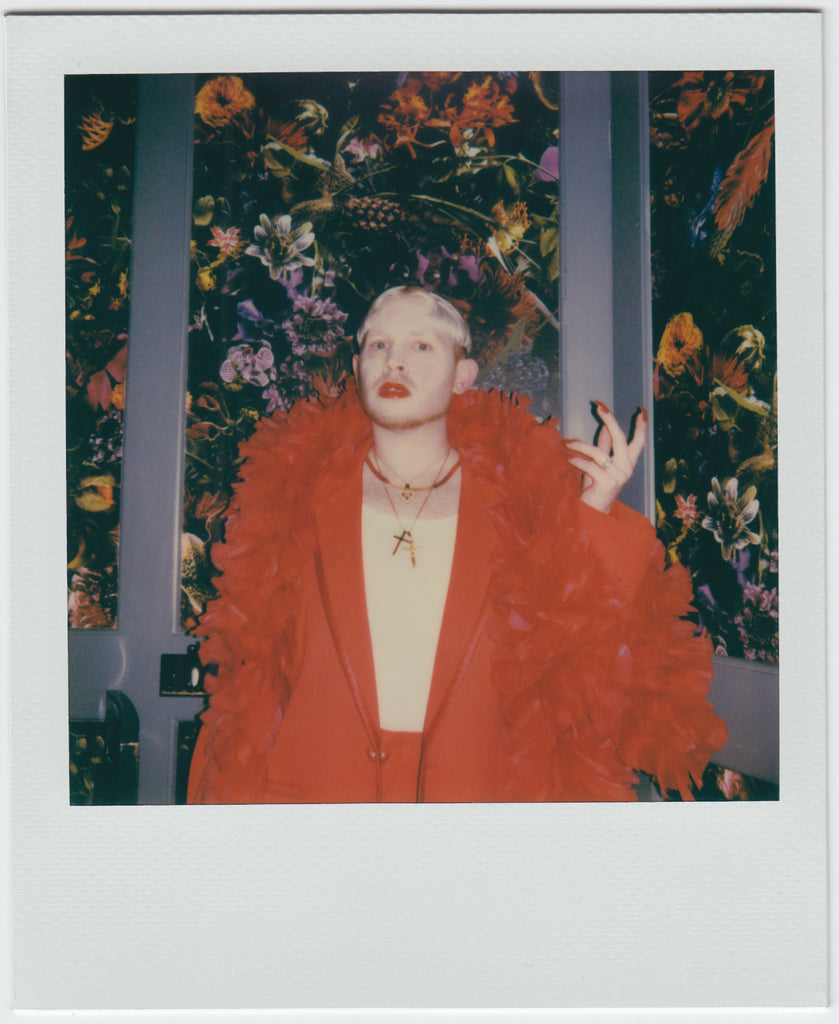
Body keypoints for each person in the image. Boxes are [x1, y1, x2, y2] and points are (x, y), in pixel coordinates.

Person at [187, 286, 727, 804]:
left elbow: (583, 667)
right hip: (313, 803)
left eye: (421, 345)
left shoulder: (524, 506)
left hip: (471, 800)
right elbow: (247, 686)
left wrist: (593, 511)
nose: (394, 361)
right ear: (357, 370)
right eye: (378, 345)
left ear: (463, 375)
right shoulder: (289, 496)